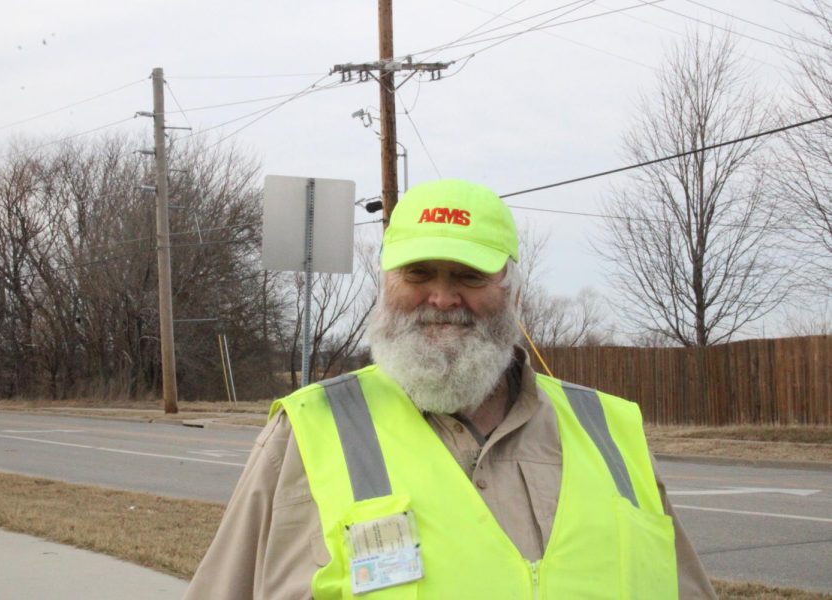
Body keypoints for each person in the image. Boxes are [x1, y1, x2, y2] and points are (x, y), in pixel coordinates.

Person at [184, 179, 717, 599]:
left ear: (511, 288)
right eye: (418, 273)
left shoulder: (611, 430)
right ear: (386, 283)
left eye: (468, 275)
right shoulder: (308, 431)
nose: (441, 298)